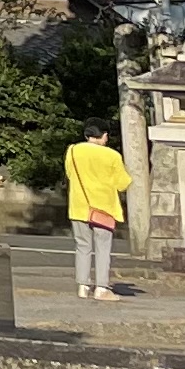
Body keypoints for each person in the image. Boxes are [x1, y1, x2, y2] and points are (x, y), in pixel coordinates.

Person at [65, 128, 132, 301]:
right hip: (104, 208)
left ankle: (83, 286)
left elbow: (70, 174)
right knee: (102, 249)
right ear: (103, 135)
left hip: (79, 206)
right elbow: (122, 183)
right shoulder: (112, 156)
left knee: (82, 246)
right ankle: (101, 288)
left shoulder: (73, 150)